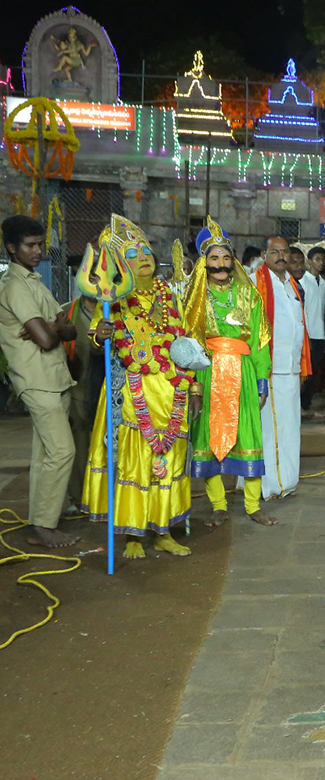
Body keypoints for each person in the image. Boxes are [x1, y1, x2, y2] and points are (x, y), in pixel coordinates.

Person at [84, 215, 193, 558]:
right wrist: (100, 335)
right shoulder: (112, 299)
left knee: (170, 460)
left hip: (170, 389)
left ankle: (164, 531)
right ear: (120, 264)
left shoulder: (170, 296)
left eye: (146, 251)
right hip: (131, 392)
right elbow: (96, 336)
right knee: (136, 461)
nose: (144, 257)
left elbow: (183, 339)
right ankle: (133, 536)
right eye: (133, 254)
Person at [182, 217, 275, 527]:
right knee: (206, 438)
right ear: (204, 262)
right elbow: (189, 343)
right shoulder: (194, 299)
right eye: (213, 258)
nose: (220, 264)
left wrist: (262, 379)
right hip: (208, 374)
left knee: (249, 434)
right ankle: (219, 505)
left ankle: (252, 506)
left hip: (244, 374)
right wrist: (194, 388)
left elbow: (261, 341)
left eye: (225, 257)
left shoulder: (250, 296)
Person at [0, 215, 79, 547]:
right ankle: (44, 526)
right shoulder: (15, 286)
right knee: (63, 451)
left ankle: (41, 520)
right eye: (29, 245)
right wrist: (53, 329)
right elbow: (47, 340)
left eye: (39, 244)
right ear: (11, 248)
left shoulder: (35, 281)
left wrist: (53, 327)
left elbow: (69, 330)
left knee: (46, 453)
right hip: (36, 379)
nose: (37, 251)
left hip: (54, 377)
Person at [254, 236, 309, 500]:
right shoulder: (256, 282)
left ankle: (286, 481)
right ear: (265, 254)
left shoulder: (292, 284)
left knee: (289, 427)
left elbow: (299, 328)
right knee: (268, 428)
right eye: (274, 251)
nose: (281, 256)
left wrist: (301, 366)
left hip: (290, 367)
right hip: (269, 368)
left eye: (284, 251)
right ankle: (267, 486)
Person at [64, 293, 102, 510]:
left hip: (108, 390)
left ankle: (105, 496)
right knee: (79, 442)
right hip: (78, 388)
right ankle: (78, 498)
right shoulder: (68, 312)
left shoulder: (117, 310)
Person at [299, 246, 325, 418]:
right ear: (309, 261)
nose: (321, 263)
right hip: (308, 334)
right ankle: (301, 405)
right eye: (317, 259)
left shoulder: (322, 282)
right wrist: (305, 336)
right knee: (306, 373)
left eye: (323, 259)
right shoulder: (303, 282)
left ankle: (307, 405)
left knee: (315, 371)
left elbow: (322, 311)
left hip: (319, 333)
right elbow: (302, 311)